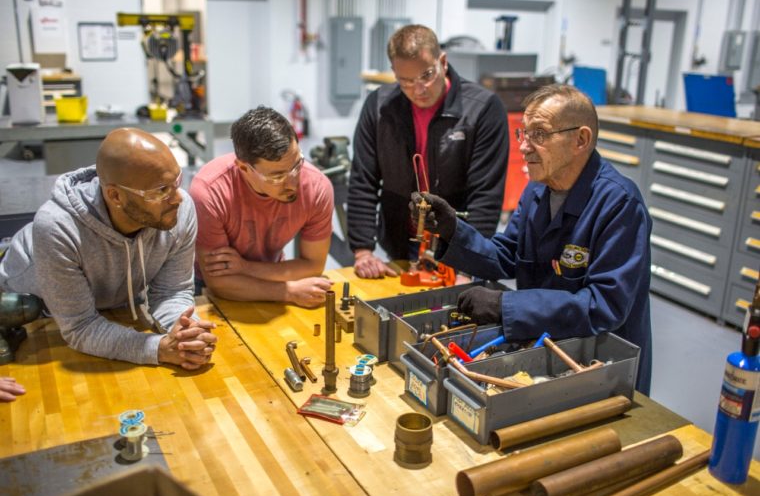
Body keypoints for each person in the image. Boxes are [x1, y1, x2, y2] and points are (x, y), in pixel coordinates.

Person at [414, 84, 653, 394]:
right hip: (546, 353)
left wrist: (506, 305)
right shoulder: (538, 190)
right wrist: (452, 231)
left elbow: (603, 306)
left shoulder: (620, 204)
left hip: (602, 368)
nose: (524, 147)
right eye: (523, 134)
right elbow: (508, 254)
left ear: (581, 139)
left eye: (539, 134)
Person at [0, 128, 217, 370]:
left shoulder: (178, 210)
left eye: (175, 182)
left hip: (108, 305)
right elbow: (80, 327)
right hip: (33, 315)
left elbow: (171, 291)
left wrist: (188, 332)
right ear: (115, 196)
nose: (177, 198)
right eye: (161, 191)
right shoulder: (57, 228)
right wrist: (158, 349)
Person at [348, 24, 509, 278]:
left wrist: (470, 266)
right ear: (394, 73)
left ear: (442, 62)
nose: (418, 89)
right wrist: (363, 250)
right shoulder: (379, 106)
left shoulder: (483, 109)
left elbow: (485, 196)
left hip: (457, 246)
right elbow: (362, 181)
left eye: (426, 75)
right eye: (406, 81)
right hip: (400, 242)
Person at [190, 107, 334, 308]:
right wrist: (289, 292)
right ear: (243, 168)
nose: (292, 183)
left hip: (272, 275)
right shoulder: (210, 191)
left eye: (296, 164)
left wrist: (246, 268)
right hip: (205, 286)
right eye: (277, 176)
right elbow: (219, 282)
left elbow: (313, 265)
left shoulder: (317, 187)